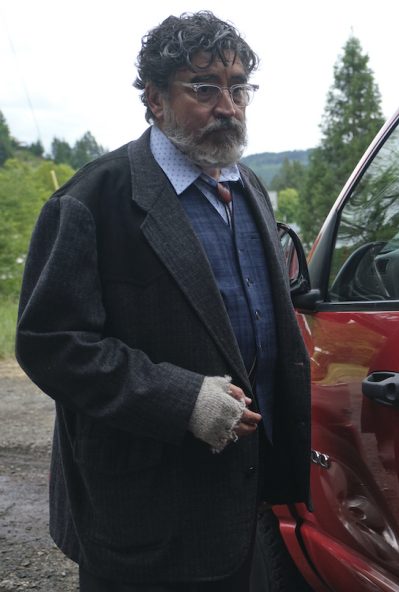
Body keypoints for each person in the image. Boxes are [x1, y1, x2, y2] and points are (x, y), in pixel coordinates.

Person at [15, 12, 310, 591]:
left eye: (238, 87)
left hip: (239, 498)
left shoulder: (248, 187)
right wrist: (183, 400)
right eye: (204, 88)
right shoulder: (92, 200)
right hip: (144, 512)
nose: (227, 105)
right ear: (153, 98)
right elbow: (51, 346)